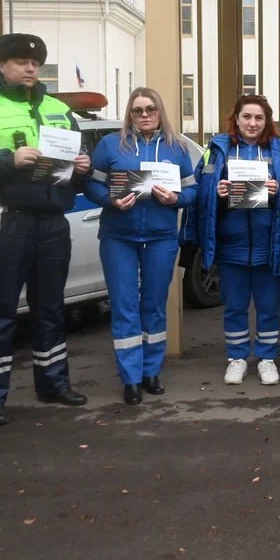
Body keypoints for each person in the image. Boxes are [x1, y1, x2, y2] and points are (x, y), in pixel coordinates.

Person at [0, 33, 92, 425]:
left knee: (50, 307)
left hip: (52, 220)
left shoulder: (58, 108)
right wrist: (8, 158)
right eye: (21, 62)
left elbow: (80, 156)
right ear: (0, 66)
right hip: (5, 220)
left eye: (35, 63)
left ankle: (54, 384)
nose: (30, 68)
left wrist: (82, 165)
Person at [86, 88, 197, 405]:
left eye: (150, 109)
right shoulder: (111, 145)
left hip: (161, 237)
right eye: (137, 110)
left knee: (154, 305)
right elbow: (91, 185)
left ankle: (151, 371)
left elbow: (192, 192)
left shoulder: (176, 149)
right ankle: (131, 378)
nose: (145, 115)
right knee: (124, 306)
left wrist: (175, 199)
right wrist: (110, 199)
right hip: (118, 237)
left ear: (160, 112)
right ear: (129, 114)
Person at [186, 94, 280, 387]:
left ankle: (267, 359)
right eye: (247, 117)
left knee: (268, 306)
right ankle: (236, 358)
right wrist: (219, 194)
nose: (252, 123)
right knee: (235, 305)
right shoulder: (216, 151)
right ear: (236, 119)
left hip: (269, 244)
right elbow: (199, 194)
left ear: (267, 121)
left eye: (259, 118)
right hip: (231, 245)